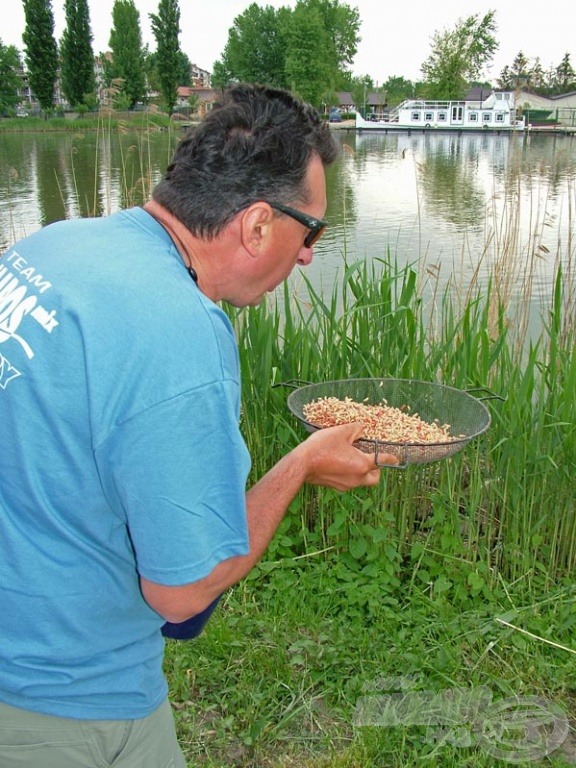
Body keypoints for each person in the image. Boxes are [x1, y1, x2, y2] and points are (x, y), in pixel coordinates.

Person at [0, 83, 397, 767]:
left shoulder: (57, 246)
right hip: (62, 694)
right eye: (313, 232)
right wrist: (300, 463)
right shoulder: (178, 332)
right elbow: (183, 595)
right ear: (258, 226)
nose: (308, 256)